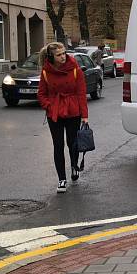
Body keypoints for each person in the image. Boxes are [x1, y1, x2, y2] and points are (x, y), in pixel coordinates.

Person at [37, 42, 88, 193]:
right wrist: (49, 105)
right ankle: (61, 179)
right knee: (57, 145)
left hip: (73, 111)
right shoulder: (46, 72)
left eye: (64, 53)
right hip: (55, 113)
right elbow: (41, 94)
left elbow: (81, 93)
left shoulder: (75, 70)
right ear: (51, 57)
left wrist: (85, 115)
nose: (63, 57)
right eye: (59, 55)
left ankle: (74, 166)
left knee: (72, 143)